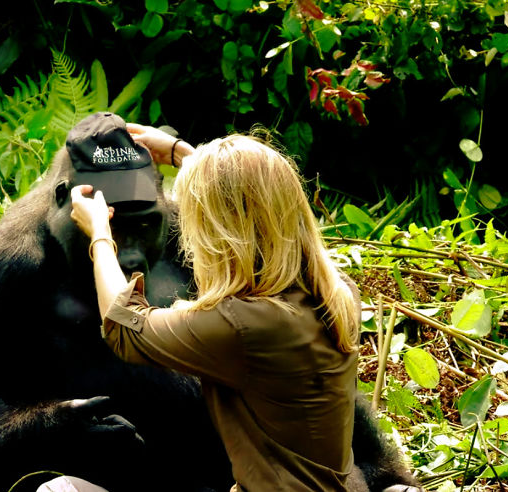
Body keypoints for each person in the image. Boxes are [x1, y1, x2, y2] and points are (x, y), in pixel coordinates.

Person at [69, 124, 363, 492]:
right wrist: (181, 152)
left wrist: (99, 235)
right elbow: (257, 199)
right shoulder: (336, 292)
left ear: (218, 233)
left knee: (62, 489)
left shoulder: (246, 326)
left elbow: (125, 326)